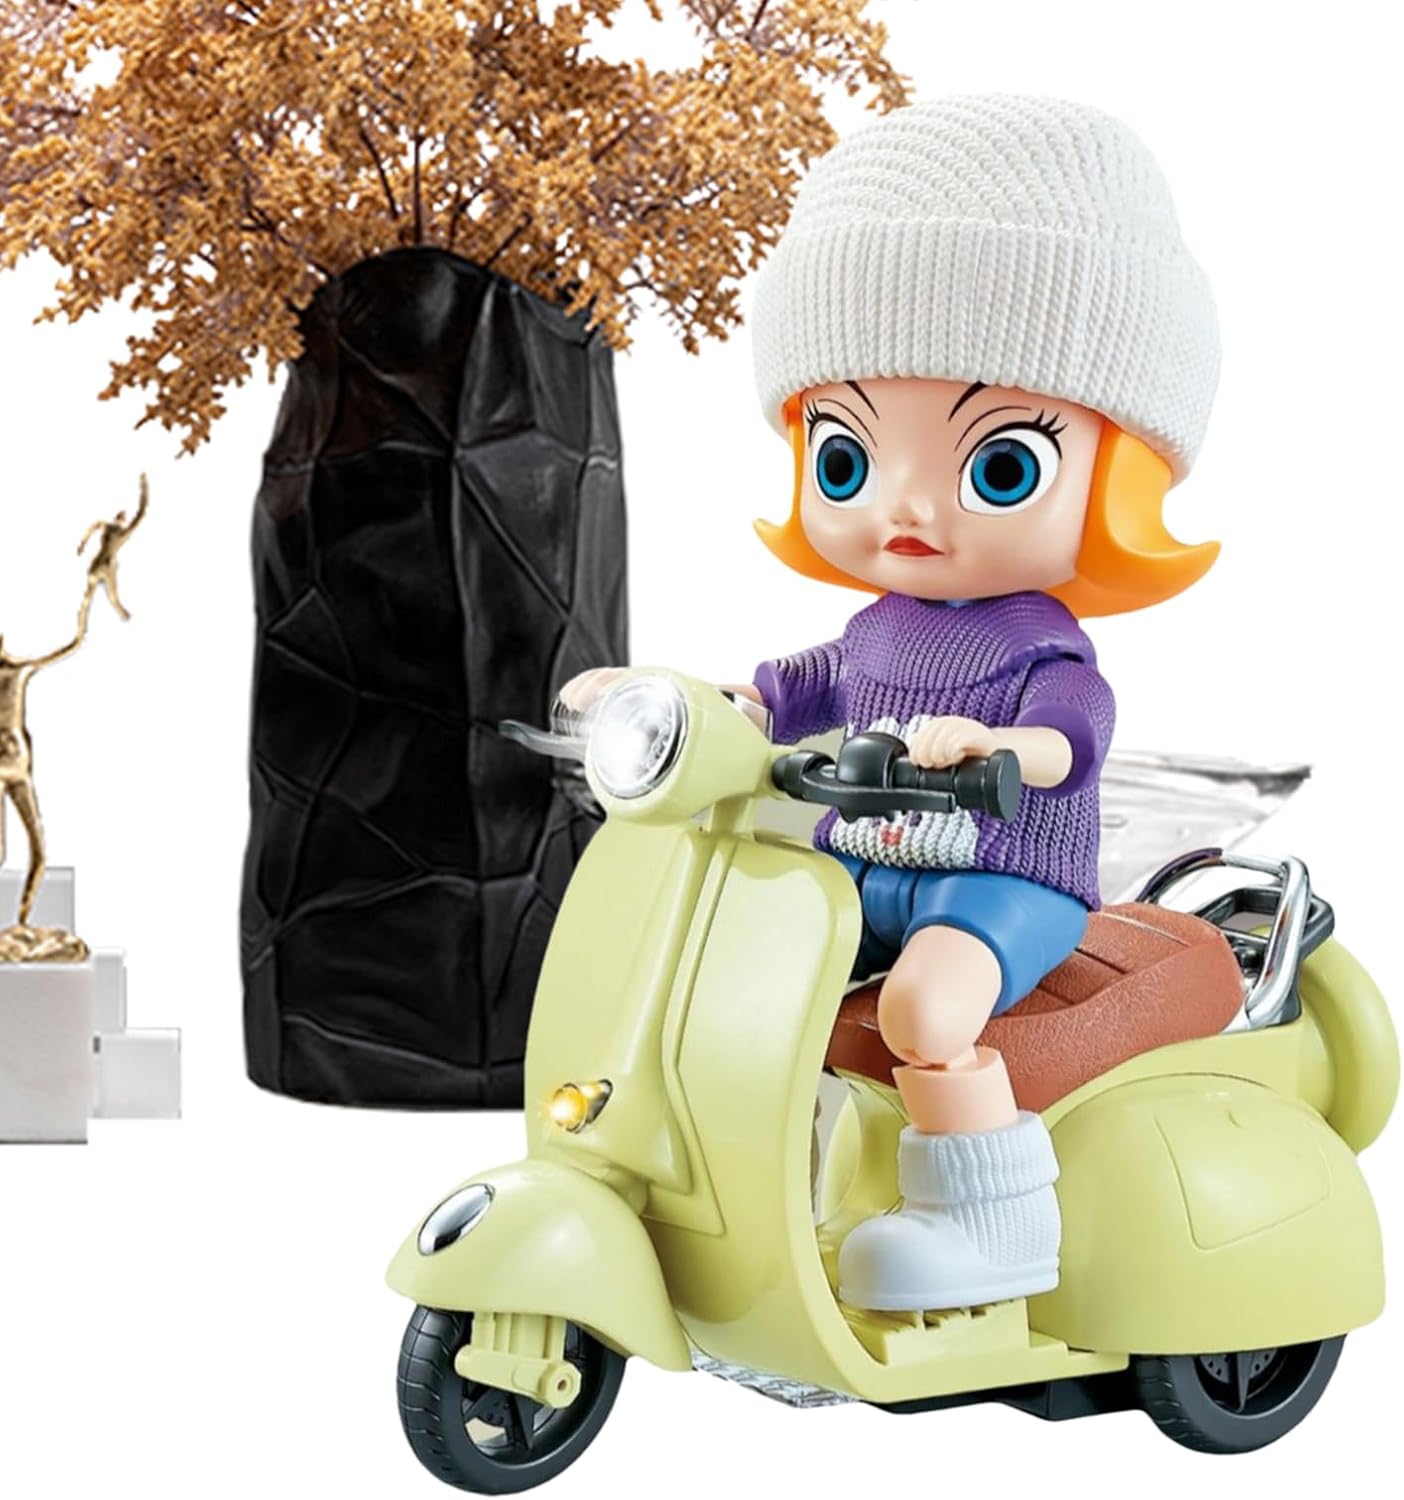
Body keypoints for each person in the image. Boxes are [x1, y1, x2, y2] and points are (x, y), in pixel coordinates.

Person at [563, 96, 1220, 1312]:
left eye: (1000, 465)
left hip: (1001, 881)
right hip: (864, 868)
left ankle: (992, 1222)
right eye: (849, 459)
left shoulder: (1039, 643)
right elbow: (789, 688)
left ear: (1117, 480)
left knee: (923, 1008)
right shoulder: (878, 629)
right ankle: (779, 1192)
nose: (906, 507)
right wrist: (680, 699)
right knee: (739, 976)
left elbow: (1072, 736)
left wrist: (1001, 745)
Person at [79, 473, 149, 623]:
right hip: (107, 565)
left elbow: (92, 527)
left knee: (92, 597)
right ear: (121, 520)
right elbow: (140, 513)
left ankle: (122, 615)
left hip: (97, 563)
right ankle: (124, 615)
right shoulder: (122, 533)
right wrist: (145, 489)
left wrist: (82, 544)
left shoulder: (106, 526)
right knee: (111, 595)